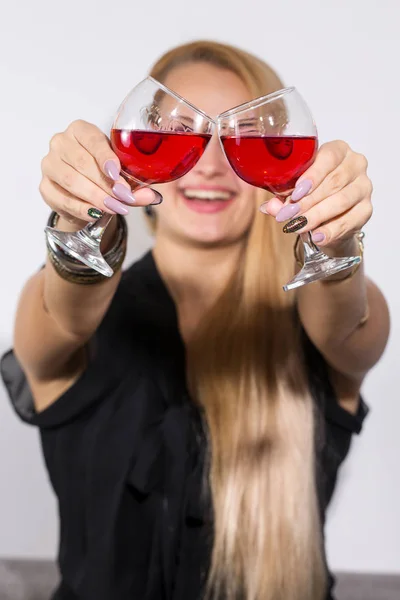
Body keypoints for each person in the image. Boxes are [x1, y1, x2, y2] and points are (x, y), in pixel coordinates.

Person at [0, 40, 390, 600]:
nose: (209, 163)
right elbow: (64, 310)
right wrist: (76, 222)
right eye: (185, 128)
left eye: (238, 135)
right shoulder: (83, 318)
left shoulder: (317, 311)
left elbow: (347, 324)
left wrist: (336, 235)